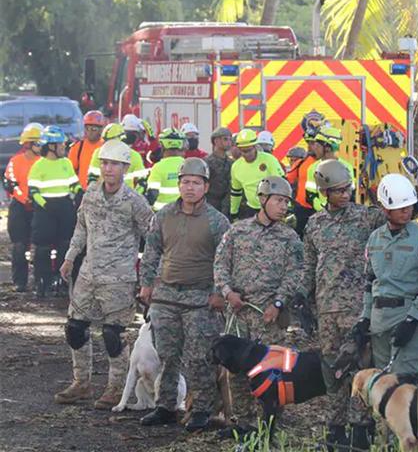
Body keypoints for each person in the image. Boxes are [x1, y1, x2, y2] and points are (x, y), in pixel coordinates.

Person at [54, 140, 154, 409]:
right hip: (89, 274)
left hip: (120, 279)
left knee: (113, 335)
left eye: (114, 164)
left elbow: (153, 240)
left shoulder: (135, 202)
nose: (108, 169)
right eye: (104, 163)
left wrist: (148, 279)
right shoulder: (91, 195)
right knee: (74, 329)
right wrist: (69, 258)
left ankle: (115, 388)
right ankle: (81, 383)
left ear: (125, 167)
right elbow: (81, 229)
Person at [139, 157, 230, 430]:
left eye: (196, 183)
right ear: (179, 185)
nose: (190, 188)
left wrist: (218, 293)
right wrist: (146, 284)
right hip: (166, 297)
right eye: (185, 182)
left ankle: (201, 409)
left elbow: (225, 262)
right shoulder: (164, 215)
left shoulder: (218, 221)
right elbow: (151, 252)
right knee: (167, 355)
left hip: (200, 299)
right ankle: (166, 406)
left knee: (199, 357)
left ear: (206, 186)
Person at [302, 160, 385, 450]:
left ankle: (361, 429)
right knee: (333, 370)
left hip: (358, 309)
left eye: (347, 189)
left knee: (360, 368)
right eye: (337, 190)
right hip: (326, 309)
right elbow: (309, 265)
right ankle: (335, 429)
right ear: (325, 192)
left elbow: (395, 216)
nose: (344, 194)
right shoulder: (315, 224)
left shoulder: (366, 218)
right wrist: (303, 299)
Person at [214, 176, 303, 425]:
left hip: (269, 315)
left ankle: (271, 422)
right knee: (236, 371)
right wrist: (228, 292)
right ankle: (243, 423)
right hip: (240, 313)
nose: (283, 207)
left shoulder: (289, 238)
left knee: (273, 370)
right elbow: (220, 264)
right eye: (278, 201)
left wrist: (278, 303)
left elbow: (295, 273)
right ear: (262, 200)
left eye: (286, 202)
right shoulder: (238, 231)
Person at [357, 174, 418, 383]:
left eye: (410, 206)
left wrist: (412, 320)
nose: (407, 211)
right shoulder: (375, 238)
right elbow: (370, 282)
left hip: (407, 316)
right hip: (379, 320)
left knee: (406, 382)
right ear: (385, 209)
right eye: (400, 208)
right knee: (383, 383)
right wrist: (365, 318)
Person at [27, 126, 81, 297]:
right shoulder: (38, 166)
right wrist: (45, 205)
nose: (64, 147)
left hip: (65, 208)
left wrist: (79, 193)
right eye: (61, 145)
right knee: (42, 248)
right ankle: (42, 281)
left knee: (65, 244)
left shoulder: (66, 163)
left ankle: (61, 279)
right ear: (51, 146)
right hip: (45, 211)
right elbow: (33, 192)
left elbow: (75, 184)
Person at [3, 123, 43, 291]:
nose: (41, 146)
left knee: (42, 246)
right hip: (20, 207)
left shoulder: (43, 162)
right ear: (28, 144)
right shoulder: (15, 161)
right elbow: (10, 183)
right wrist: (24, 198)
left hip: (40, 206)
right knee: (19, 245)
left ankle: (42, 281)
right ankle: (20, 281)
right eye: (38, 143)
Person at [229, 128, 284, 221]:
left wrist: (286, 208)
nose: (246, 154)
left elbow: (282, 185)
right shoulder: (236, 167)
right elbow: (236, 192)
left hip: (272, 209)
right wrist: (233, 212)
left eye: (249, 150)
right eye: (243, 151)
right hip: (251, 209)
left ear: (255, 147)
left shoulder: (269, 160)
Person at [305, 126, 355, 211]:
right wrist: (323, 210)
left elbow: (351, 192)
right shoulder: (313, 168)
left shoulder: (347, 167)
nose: (315, 148)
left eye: (318, 145)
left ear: (327, 148)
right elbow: (310, 195)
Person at [87, 123, 147, 192]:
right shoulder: (98, 153)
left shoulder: (134, 155)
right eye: (105, 141)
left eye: (111, 141)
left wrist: (133, 198)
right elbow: (92, 179)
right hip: (103, 198)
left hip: (126, 198)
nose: (108, 144)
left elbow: (142, 182)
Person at [146, 128, 186, 212]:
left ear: (162, 146)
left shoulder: (158, 167)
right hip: (184, 213)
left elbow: (153, 194)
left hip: (162, 214)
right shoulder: (187, 165)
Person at [288, 128, 317, 238]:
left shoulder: (326, 162)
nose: (310, 146)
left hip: (319, 209)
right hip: (301, 209)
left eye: (313, 143)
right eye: (308, 143)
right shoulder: (302, 162)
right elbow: (288, 180)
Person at [69, 110, 104, 190]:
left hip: (102, 193)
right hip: (82, 193)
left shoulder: (106, 146)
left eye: (94, 129)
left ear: (101, 129)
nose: (90, 132)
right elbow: (70, 173)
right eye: (87, 128)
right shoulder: (77, 147)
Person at [204, 126, 233, 218]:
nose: (229, 142)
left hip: (228, 206)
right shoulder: (206, 162)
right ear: (216, 141)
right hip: (211, 204)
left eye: (230, 139)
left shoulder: (232, 163)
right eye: (225, 139)